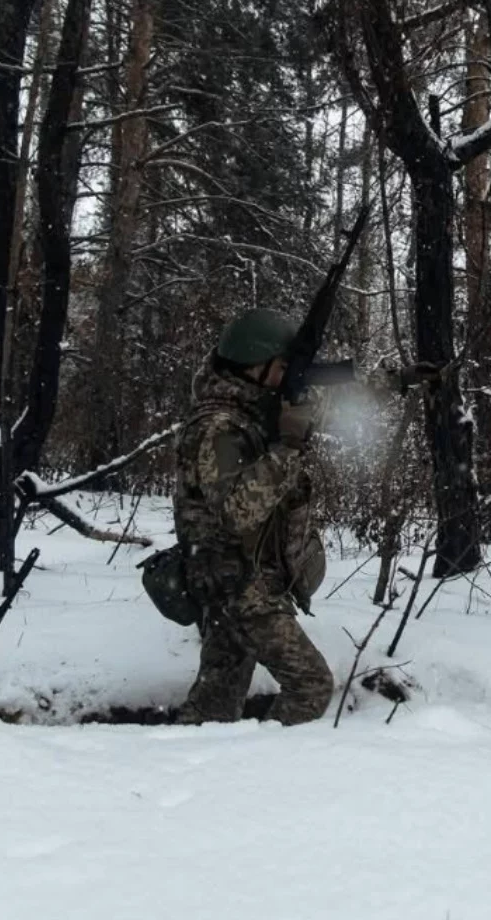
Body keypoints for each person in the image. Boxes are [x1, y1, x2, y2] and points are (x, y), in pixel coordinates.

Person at [170, 308, 337, 726]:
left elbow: (324, 386)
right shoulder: (218, 427)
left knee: (215, 705)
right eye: (281, 367)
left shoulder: (254, 411)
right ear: (254, 367)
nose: (288, 376)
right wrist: (288, 448)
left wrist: (400, 380)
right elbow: (235, 513)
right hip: (240, 588)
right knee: (311, 686)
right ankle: (262, 773)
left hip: (237, 582)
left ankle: (186, 774)